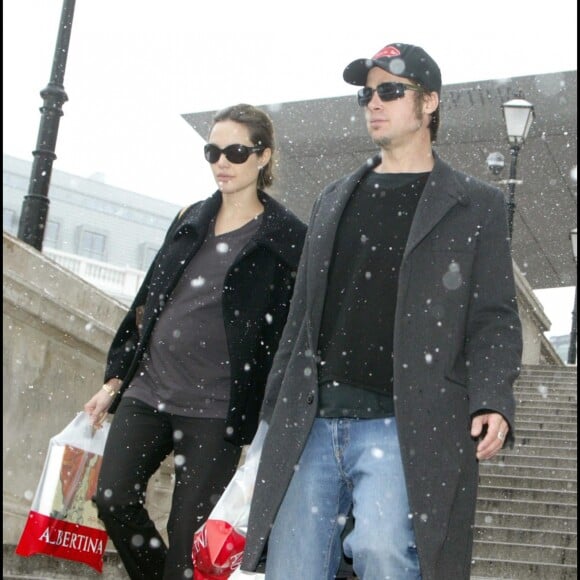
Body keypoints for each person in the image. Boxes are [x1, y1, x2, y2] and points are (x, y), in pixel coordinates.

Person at [240, 43, 523, 580]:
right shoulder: (333, 198)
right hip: (312, 424)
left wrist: (492, 397)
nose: (374, 102)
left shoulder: (474, 205)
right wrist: (268, 422)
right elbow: (300, 320)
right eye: (367, 93)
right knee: (292, 568)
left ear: (430, 102)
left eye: (390, 90)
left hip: (404, 423)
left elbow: (494, 317)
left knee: (387, 555)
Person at [84, 103, 307, 580]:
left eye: (236, 151)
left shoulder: (287, 238)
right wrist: (114, 380)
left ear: (263, 156)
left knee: (189, 549)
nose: (222, 162)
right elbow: (146, 303)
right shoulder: (190, 217)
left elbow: (287, 333)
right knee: (112, 497)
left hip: (215, 411)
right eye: (212, 151)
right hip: (148, 391)